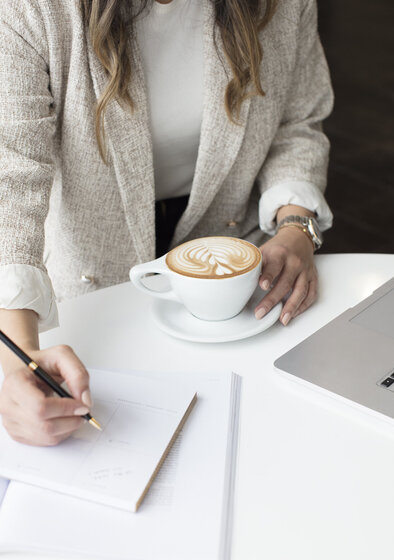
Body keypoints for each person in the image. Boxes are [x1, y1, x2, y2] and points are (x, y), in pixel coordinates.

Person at [0, 0, 334, 445]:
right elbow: (12, 174)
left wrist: (297, 225)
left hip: (243, 285)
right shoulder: (31, 10)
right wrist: (20, 360)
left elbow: (298, 122)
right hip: (92, 282)